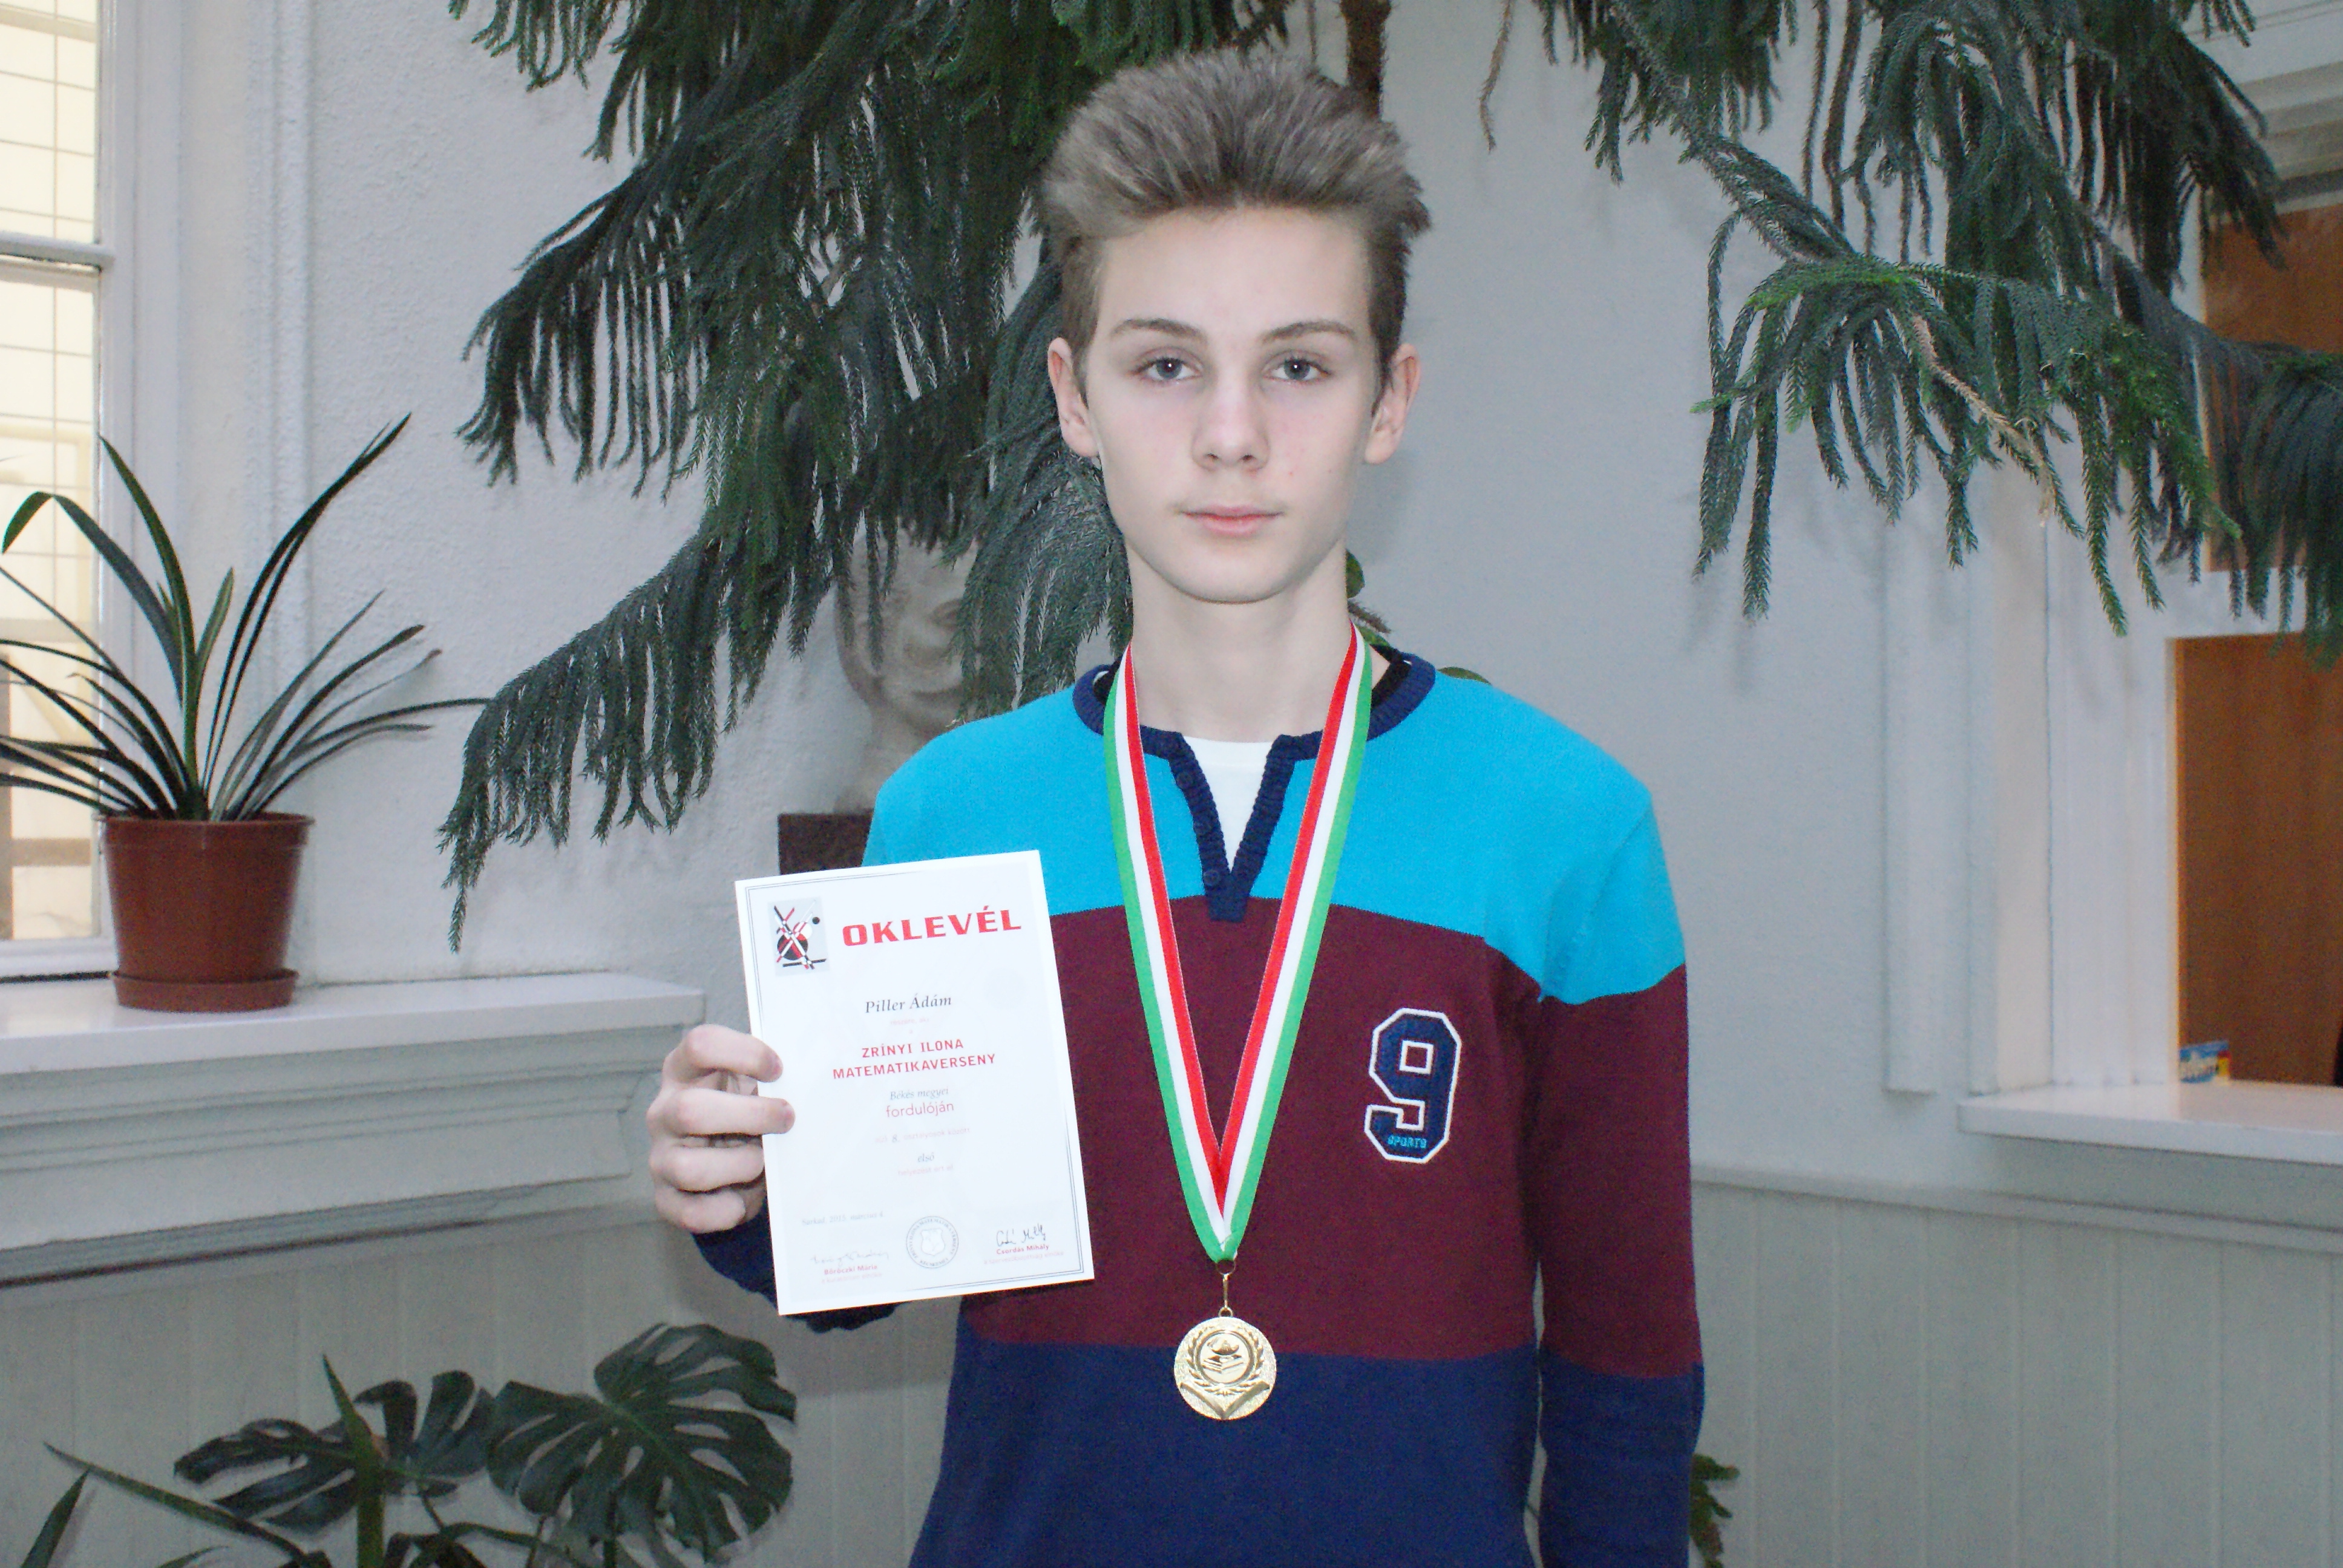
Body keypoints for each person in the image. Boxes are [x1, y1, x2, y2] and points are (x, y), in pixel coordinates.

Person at [647, 49, 1701, 1567]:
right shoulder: (952, 810)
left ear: (1389, 401)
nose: (1229, 434)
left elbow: (1627, 1357)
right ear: (1074, 399)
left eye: (1299, 366)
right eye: (1163, 366)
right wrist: (745, 1185)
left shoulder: (1566, 825)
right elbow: (864, 1262)